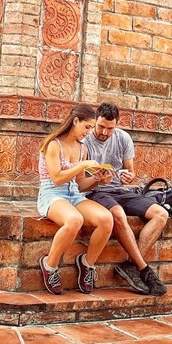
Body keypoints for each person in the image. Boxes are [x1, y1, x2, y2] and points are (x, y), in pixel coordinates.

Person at [79, 102, 169, 295]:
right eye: (101, 126)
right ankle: (144, 269)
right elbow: (80, 184)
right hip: (95, 192)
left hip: (120, 190)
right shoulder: (84, 141)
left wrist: (128, 176)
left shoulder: (123, 138)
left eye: (109, 128)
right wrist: (97, 179)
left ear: (117, 124)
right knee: (117, 214)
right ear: (95, 122)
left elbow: (131, 171)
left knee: (161, 214)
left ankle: (130, 265)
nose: (104, 132)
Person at [37, 103, 114, 295]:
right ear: (75, 121)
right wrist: (81, 166)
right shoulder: (53, 144)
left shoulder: (82, 149)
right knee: (74, 220)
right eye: (87, 127)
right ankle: (50, 265)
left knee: (106, 219)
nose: (89, 132)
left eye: (90, 128)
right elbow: (56, 178)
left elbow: (80, 185)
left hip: (74, 194)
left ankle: (87, 264)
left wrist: (98, 179)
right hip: (52, 194)